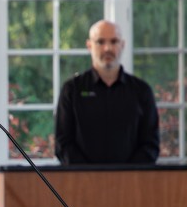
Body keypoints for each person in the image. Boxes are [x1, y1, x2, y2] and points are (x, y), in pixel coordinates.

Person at [54, 19, 160, 164]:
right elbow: (63, 144)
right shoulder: (71, 90)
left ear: (122, 45)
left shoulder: (141, 91)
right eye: (100, 42)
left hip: (132, 183)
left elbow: (150, 144)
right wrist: (89, 176)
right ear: (89, 46)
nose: (107, 48)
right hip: (82, 183)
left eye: (114, 41)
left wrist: (126, 176)